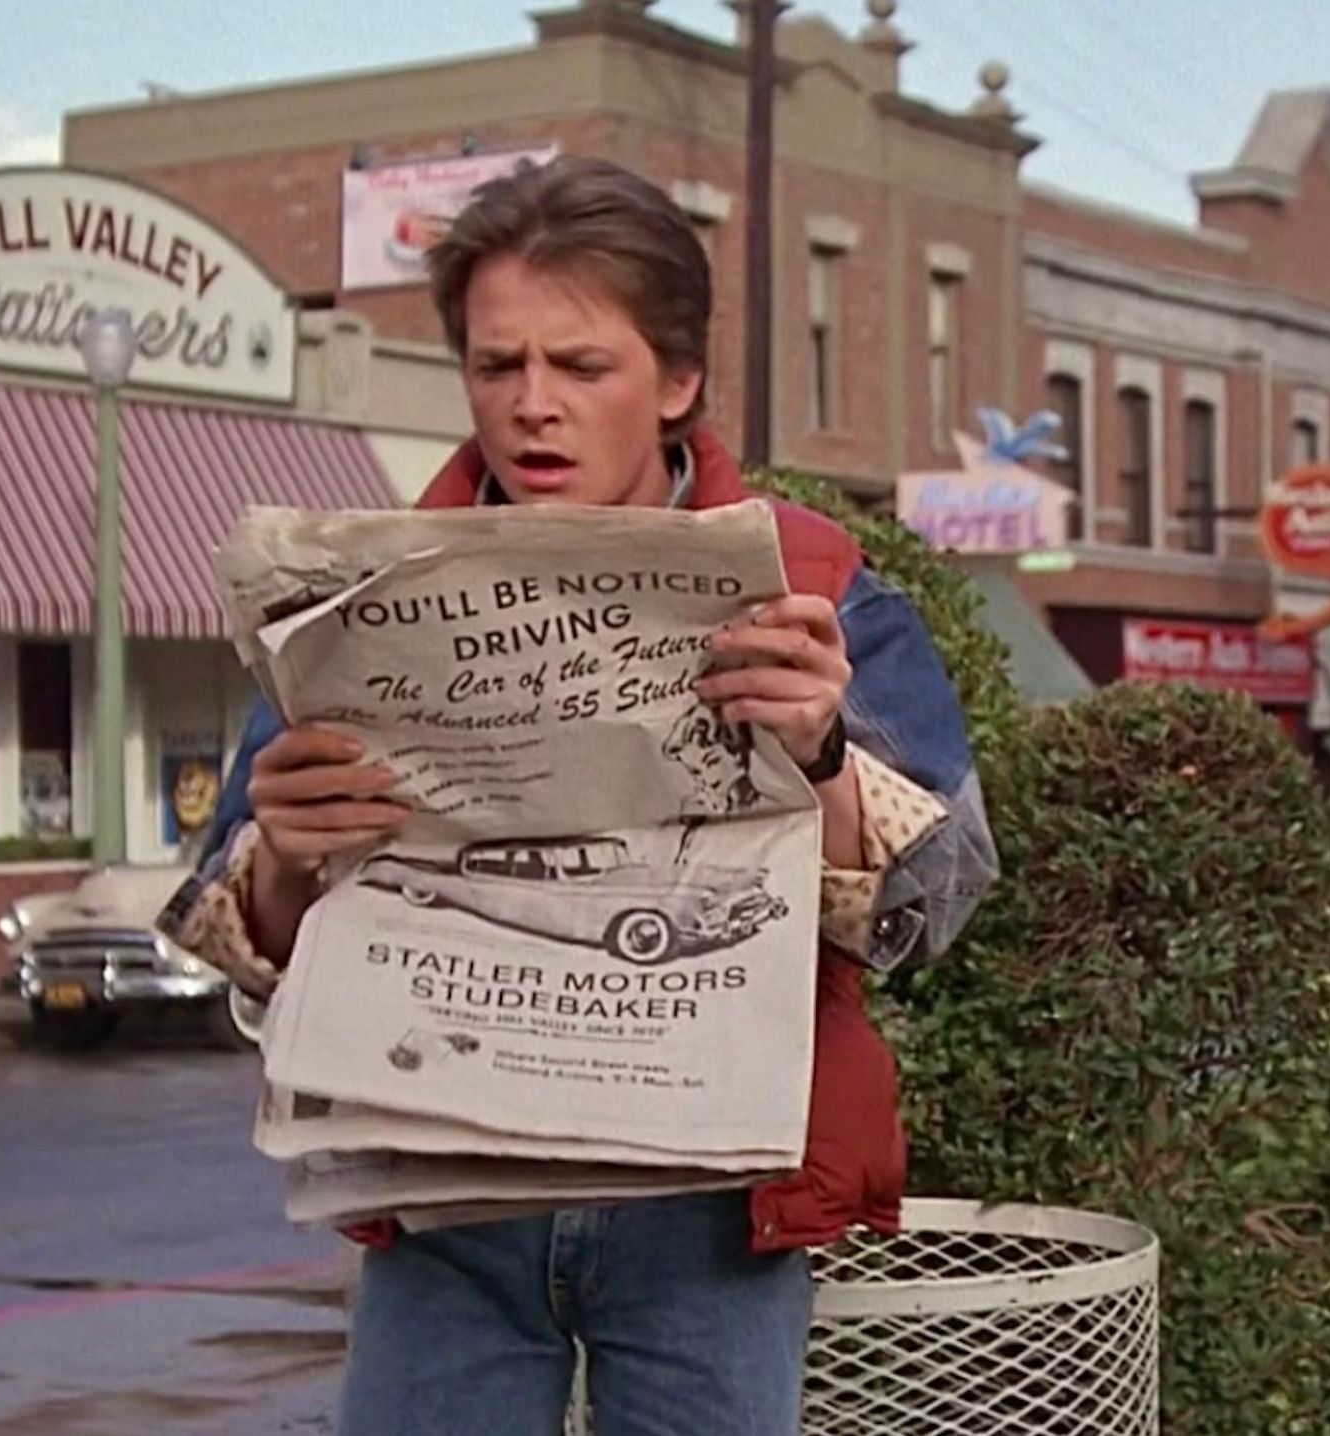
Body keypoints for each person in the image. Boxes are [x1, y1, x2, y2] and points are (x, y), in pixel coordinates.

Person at [160, 156, 997, 1435]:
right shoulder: (355, 598)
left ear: (675, 382)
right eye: (499, 368)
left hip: (712, 1211)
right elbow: (248, 929)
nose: (533, 406)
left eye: (580, 366)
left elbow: (938, 907)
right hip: (447, 1193)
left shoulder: (815, 585)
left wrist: (820, 755)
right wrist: (282, 854)